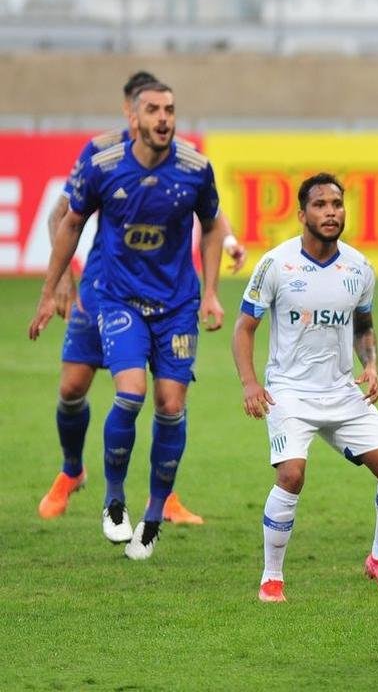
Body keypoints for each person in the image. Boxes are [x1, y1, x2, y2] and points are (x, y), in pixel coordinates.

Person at [37, 71, 244, 524]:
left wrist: (227, 246)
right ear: (130, 111)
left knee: (167, 399)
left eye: (168, 109)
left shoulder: (186, 163)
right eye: (150, 108)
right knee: (73, 387)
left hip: (169, 297)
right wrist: (62, 282)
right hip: (104, 287)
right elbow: (62, 216)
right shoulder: (100, 153)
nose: (161, 118)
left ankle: (163, 497)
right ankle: (72, 471)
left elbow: (208, 212)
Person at [233, 173, 378, 602]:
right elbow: (244, 327)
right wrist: (250, 382)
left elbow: (363, 325)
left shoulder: (359, 267)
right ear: (302, 214)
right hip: (289, 392)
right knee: (291, 474)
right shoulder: (276, 264)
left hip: (342, 390)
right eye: (320, 205)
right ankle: (272, 576)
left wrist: (371, 365)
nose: (331, 212)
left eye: (337, 204)